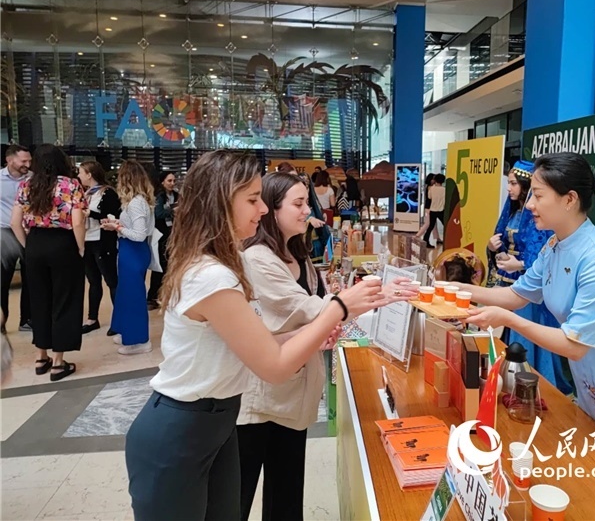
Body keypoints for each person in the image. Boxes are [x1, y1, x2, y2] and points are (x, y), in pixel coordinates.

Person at [125, 150, 387, 521]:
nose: (262, 209)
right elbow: (274, 366)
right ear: (220, 202)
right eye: (252, 200)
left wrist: (313, 334)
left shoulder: (226, 265)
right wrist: (338, 308)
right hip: (182, 428)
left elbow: (261, 344)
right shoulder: (212, 276)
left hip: (217, 423)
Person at [462, 153, 595, 465]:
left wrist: (507, 319)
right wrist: (456, 289)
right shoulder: (554, 246)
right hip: (591, 395)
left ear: (569, 199)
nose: (530, 205)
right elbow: (517, 294)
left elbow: (574, 344)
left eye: (538, 195)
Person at [237, 172, 417, 520]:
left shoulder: (297, 253)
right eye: (298, 203)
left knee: (286, 493)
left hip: (294, 393)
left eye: (307, 202)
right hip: (262, 397)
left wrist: (323, 329)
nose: (308, 211)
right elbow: (310, 309)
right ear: (272, 209)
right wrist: (370, 298)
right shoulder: (258, 259)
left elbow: (316, 316)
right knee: (239, 495)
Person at [485, 160, 571, 393]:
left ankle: (528, 386)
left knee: (524, 338)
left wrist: (521, 264)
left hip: (527, 289)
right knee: (506, 335)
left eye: (513, 183)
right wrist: (492, 248)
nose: (509, 188)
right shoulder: (513, 213)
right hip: (509, 283)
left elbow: (542, 256)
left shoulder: (540, 220)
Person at [11, 144, 85, 381]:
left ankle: (41, 357)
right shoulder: (70, 184)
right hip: (63, 244)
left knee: (39, 300)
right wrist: (80, 247)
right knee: (64, 299)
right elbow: (77, 221)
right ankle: (58, 362)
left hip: (35, 243)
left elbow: (14, 222)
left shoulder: (26, 185)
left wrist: (28, 246)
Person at [101, 161, 155, 355]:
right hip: (129, 250)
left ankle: (140, 340)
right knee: (126, 293)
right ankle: (128, 332)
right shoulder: (137, 202)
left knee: (133, 296)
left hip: (134, 251)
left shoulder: (136, 203)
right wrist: (117, 224)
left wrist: (117, 227)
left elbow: (139, 235)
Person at [78, 161, 121, 335]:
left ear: (89, 174)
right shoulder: (85, 193)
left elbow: (113, 214)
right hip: (87, 239)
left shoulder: (107, 192)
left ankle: (119, 319)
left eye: (81, 172)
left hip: (102, 241)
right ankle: (92, 319)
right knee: (93, 281)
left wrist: (91, 213)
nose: (79, 176)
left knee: (111, 280)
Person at [1, 144, 32, 335]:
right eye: (23, 161)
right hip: (4, 234)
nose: (27, 165)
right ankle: (1, 323)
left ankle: (27, 320)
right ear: (10, 160)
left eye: (29, 161)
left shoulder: (33, 179)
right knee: (2, 281)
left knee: (31, 278)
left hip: (29, 232)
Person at [147, 171, 179, 310]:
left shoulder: (177, 195)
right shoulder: (159, 196)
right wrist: (173, 211)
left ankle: (167, 296)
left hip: (174, 234)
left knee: (172, 266)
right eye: (169, 181)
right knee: (160, 266)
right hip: (161, 235)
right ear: (162, 182)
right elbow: (158, 213)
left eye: (173, 181)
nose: (172, 183)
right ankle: (152, 297)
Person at [423, 174, 446, 248]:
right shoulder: (444, 190)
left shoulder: (431, 188)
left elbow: (429, 197)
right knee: (446, 225)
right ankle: (448, 241)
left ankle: (426, 241)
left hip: (432, 210)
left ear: (435, 180)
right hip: (441, 210)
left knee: (430, 227)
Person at [416, 173, 440, 244]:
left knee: (434, 224)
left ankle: (437, 238)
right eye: (433, 179)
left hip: (430, 207)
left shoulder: (429, 187)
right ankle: (417, 235)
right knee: (428, 223)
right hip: (429, 207)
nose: (434, 180)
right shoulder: (430, 188)